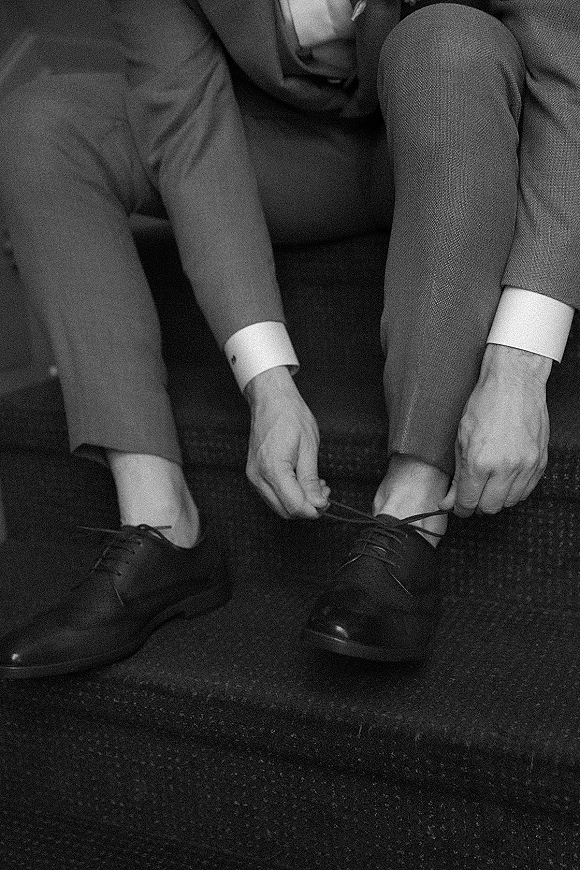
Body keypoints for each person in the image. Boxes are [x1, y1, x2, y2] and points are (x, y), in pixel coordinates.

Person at [0, 0, 577, 676]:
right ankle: (163, 528)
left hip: (464, 124)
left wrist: (517, 368)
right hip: (291, 154)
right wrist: (267, 382)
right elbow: (188, 124)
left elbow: (567, 71)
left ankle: (412, 512)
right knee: (42, 125)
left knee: (445, 40)